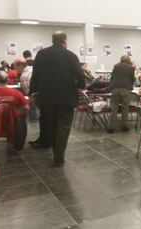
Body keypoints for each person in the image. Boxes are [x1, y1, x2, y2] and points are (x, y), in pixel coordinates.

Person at [29, 31, 86, 167]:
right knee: (63, 127)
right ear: (65, 41)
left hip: (46, 97)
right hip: (66, 98)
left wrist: (32, 93)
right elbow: (80, 76)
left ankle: (52, 149)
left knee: (51, 125)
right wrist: (79, 86)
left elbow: (35, 75)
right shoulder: (71, 55)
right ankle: (58, 157)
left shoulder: (41, 54)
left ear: (53, 40)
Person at [0, 71, 29, 158]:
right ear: (7, 81)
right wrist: (24, 117)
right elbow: (26, 108)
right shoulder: (16, 93)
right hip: (12, 124)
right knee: (20, 118)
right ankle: (17, 147)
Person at [107, 55, 135, 134]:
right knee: (125, 108)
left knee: (114, 108)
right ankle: (124, 126)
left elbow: (112, 78)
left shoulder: (116, 66)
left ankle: (111, 128)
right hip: (125, 88)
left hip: (115, 88)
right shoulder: (131, 68)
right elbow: (132, 79)